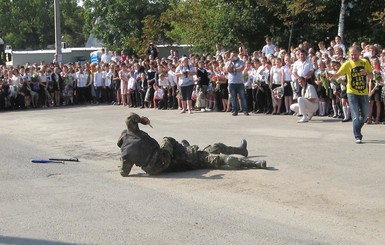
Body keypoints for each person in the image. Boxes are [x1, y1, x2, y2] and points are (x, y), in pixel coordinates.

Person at [117, 112, 267, 177]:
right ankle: (253, 163)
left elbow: (124, 172)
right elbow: (130, 118)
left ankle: (242, 151)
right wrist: (142, 121)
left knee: (197, 147)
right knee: (218, 154)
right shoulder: (134, 132)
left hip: (157, 169)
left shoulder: (126, 153)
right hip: (188, 158)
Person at [329, 45, 373, 143]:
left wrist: (366, 73)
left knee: (365, 115)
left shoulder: (365, 62)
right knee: (355, 115)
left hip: (363, 92)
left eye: (355, 55)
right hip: (352, 92)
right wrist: (331, 76)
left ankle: (357, 127)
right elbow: (338, 75)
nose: (353, 57)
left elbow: (371, 76)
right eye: (351, 55)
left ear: (359, 53)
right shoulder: (347, 64)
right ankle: (357, 135)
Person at [224, 50, 249, 116]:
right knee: (233, 97)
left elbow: (241, 68)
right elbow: (228, 70)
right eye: (232, 55)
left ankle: (245, 110)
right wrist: (231, 62)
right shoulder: (228, 62)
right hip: (231, 83)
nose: (234, 56)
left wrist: (233, 69)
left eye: (235, 55)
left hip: (240, 82)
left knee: (242, 97)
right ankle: (235, 111)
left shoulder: (240, 61)